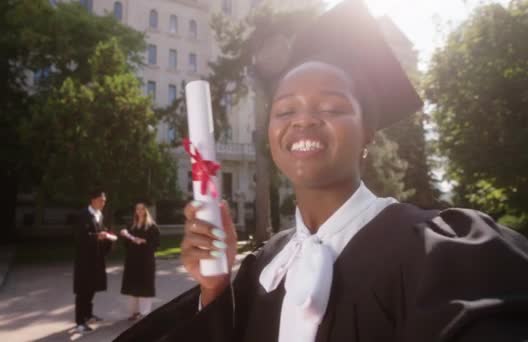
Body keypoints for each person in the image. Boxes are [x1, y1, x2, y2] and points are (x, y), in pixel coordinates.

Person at [115, 0, 528, 341]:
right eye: (285, 109)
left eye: (331, 107)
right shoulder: (264, 267)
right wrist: (215, 289)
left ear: (368, 132)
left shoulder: (439, 253)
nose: (303, 120)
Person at [73, 189, 113, 333]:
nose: (103, 203)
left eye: (105, 201)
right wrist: (97, 237)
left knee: (92, 288)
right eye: (102, 200)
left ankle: (88, 315)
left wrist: (107, 236)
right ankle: (79, 322)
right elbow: (79, 237)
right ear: (93, 200)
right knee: (83, 290)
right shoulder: (83, 215)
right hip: (85, 260)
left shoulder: (99, 215)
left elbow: (101, 231)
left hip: (96, 259)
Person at [120, 202, 160, 321]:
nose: (140, 211)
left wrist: (144, 241)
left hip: (145, 261)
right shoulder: (131, 225)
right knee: (133, 286)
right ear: (135, 211)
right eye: (137, 209)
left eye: (142, 209)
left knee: (145, 287)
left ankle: (145, 314)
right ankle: (134, 312)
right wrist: (126, 236)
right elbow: (126, 244)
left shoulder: (152, 226)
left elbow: (157, 244)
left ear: (146, 210)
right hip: (132, 260)